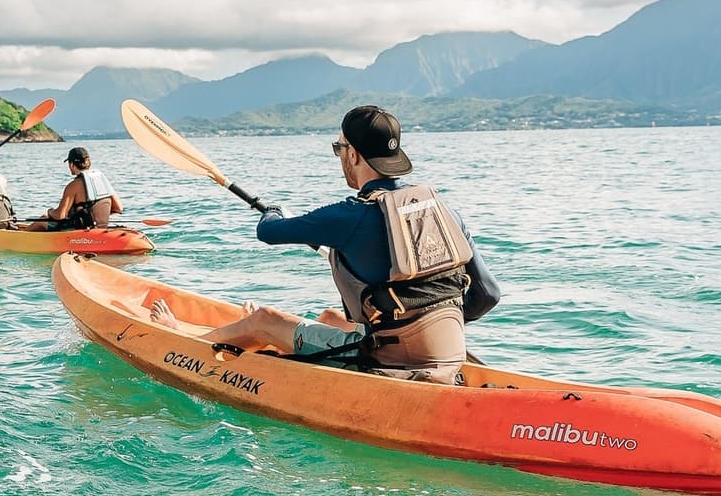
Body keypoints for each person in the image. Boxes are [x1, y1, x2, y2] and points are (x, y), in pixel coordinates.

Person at [196, 105, 501, 385]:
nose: (340, 155)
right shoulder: (445, 212)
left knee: (263, 321)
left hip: (386, 363)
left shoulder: (351, 215)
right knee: (331, 317)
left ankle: (183, 345)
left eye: (338, 148)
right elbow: (487, 294)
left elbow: (269, 232)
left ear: (352, 154)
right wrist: (426, 325)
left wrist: (273, 210)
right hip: (448, 356)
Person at [25, 146, 122, 231]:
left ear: (72, 164)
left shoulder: (73, 186)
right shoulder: (102, 181)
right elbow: (118, 208)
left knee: (42, 220)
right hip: (100, 227)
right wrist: (98, 215)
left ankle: (19, 237)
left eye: (69, 164)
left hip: (80, 230)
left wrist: (50, 212)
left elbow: (60, 215)